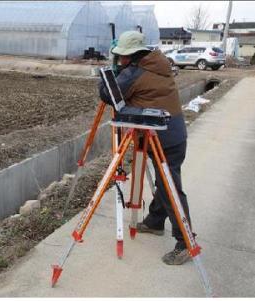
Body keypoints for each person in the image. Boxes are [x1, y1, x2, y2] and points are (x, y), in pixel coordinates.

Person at [99, 31, 191, 265]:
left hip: (163, 137)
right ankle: (155, 221)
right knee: (164, 180)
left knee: (170, 188)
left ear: (132, 56)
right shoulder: (158, 62)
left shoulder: (134, 73)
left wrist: (111, 73)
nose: (120, 60)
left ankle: (185, 243)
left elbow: (107, 95)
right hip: (173, 131)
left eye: (122, 56)